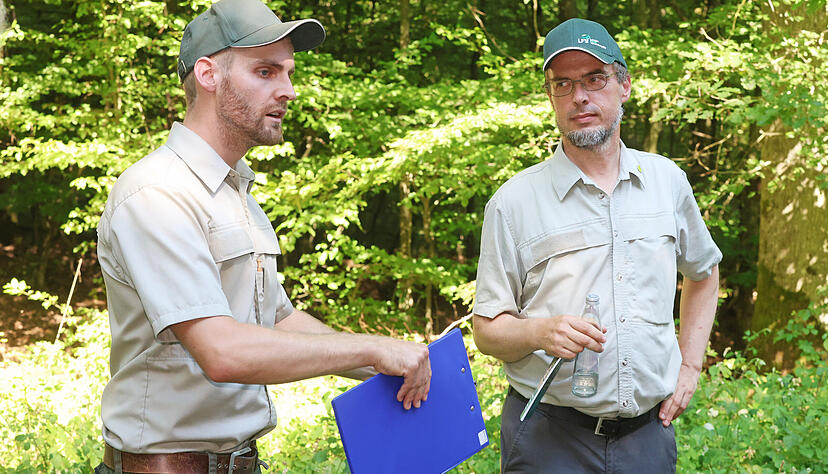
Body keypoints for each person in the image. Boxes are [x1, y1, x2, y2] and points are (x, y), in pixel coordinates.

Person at [94, 0, 431, 472]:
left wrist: (389, 361)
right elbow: (223, 350)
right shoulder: (156, 194)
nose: (289, 91)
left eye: (289, 74)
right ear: (209, 75)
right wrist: (372, 348)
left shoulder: (236, 191)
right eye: (267, 72)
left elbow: (275, 320)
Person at [472, 18, 721, 473]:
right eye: (562, 84)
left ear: (624, 85)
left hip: (648, 438)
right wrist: (539, 333)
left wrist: (690, 368)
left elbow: (703, 274)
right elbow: (487, 330)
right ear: (550, 97)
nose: (579, 97)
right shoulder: (513, 203)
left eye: (594, 79)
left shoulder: (667, 182)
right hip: (548, 440)